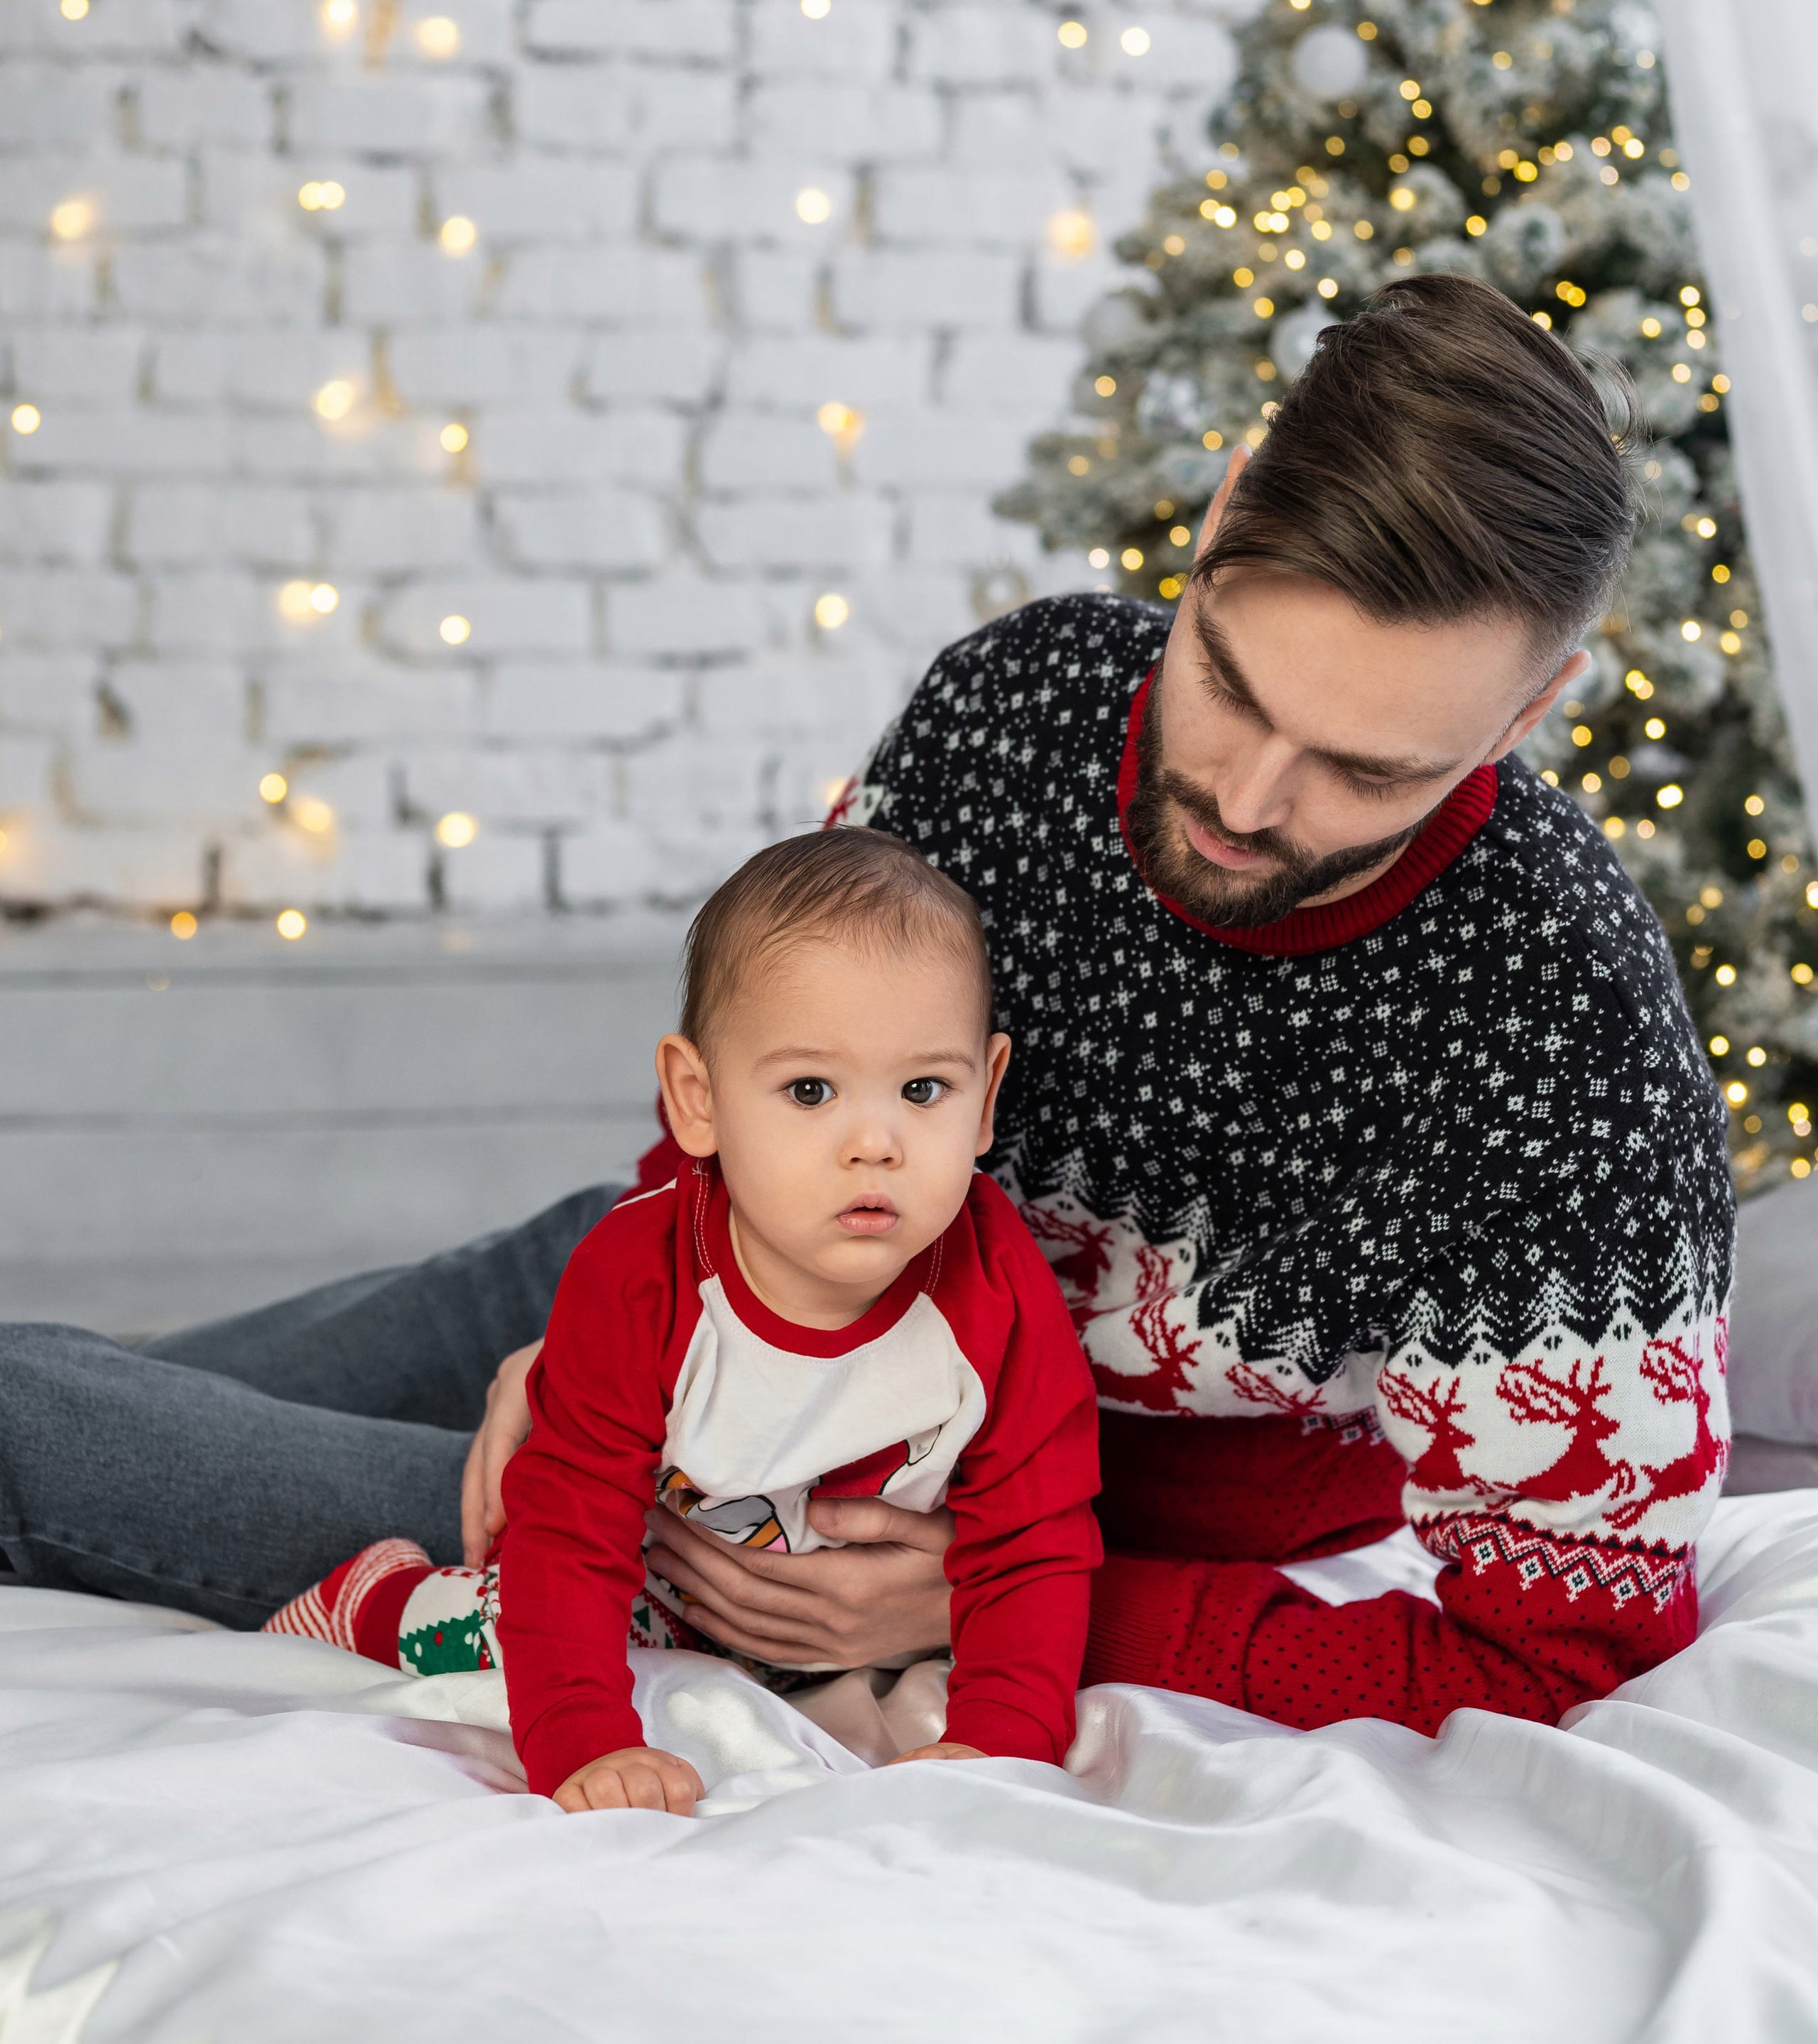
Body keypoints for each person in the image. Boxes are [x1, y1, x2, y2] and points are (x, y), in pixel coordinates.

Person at [0, 278, 1733, 1740]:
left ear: (1524, 717)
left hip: (891, 1501)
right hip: (681, 1267)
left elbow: (1564, 1636)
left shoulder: (1551, 1028)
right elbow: (791, 1030)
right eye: (1224, 677)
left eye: (1366, 769)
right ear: (1214, 518)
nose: (1248, 799)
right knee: (84, 1391)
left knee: (39, 1439)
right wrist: (609, 1312)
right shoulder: (1020, 702)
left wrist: (1021, 1597)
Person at [262, 829, 1101, 1810]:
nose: (875, 1142)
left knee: (957, 1675)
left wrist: (997, 1740)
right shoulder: (640, 1274)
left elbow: (1036, 1538)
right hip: (665, 1580)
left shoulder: (996, 1284)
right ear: (698, 1100)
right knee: (492, 1621)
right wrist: (585, 1742)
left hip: (862, 1622)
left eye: (924, 1090)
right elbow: (572, 1532)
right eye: (810, 1090)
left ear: (986, 1094)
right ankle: (380, 1596)